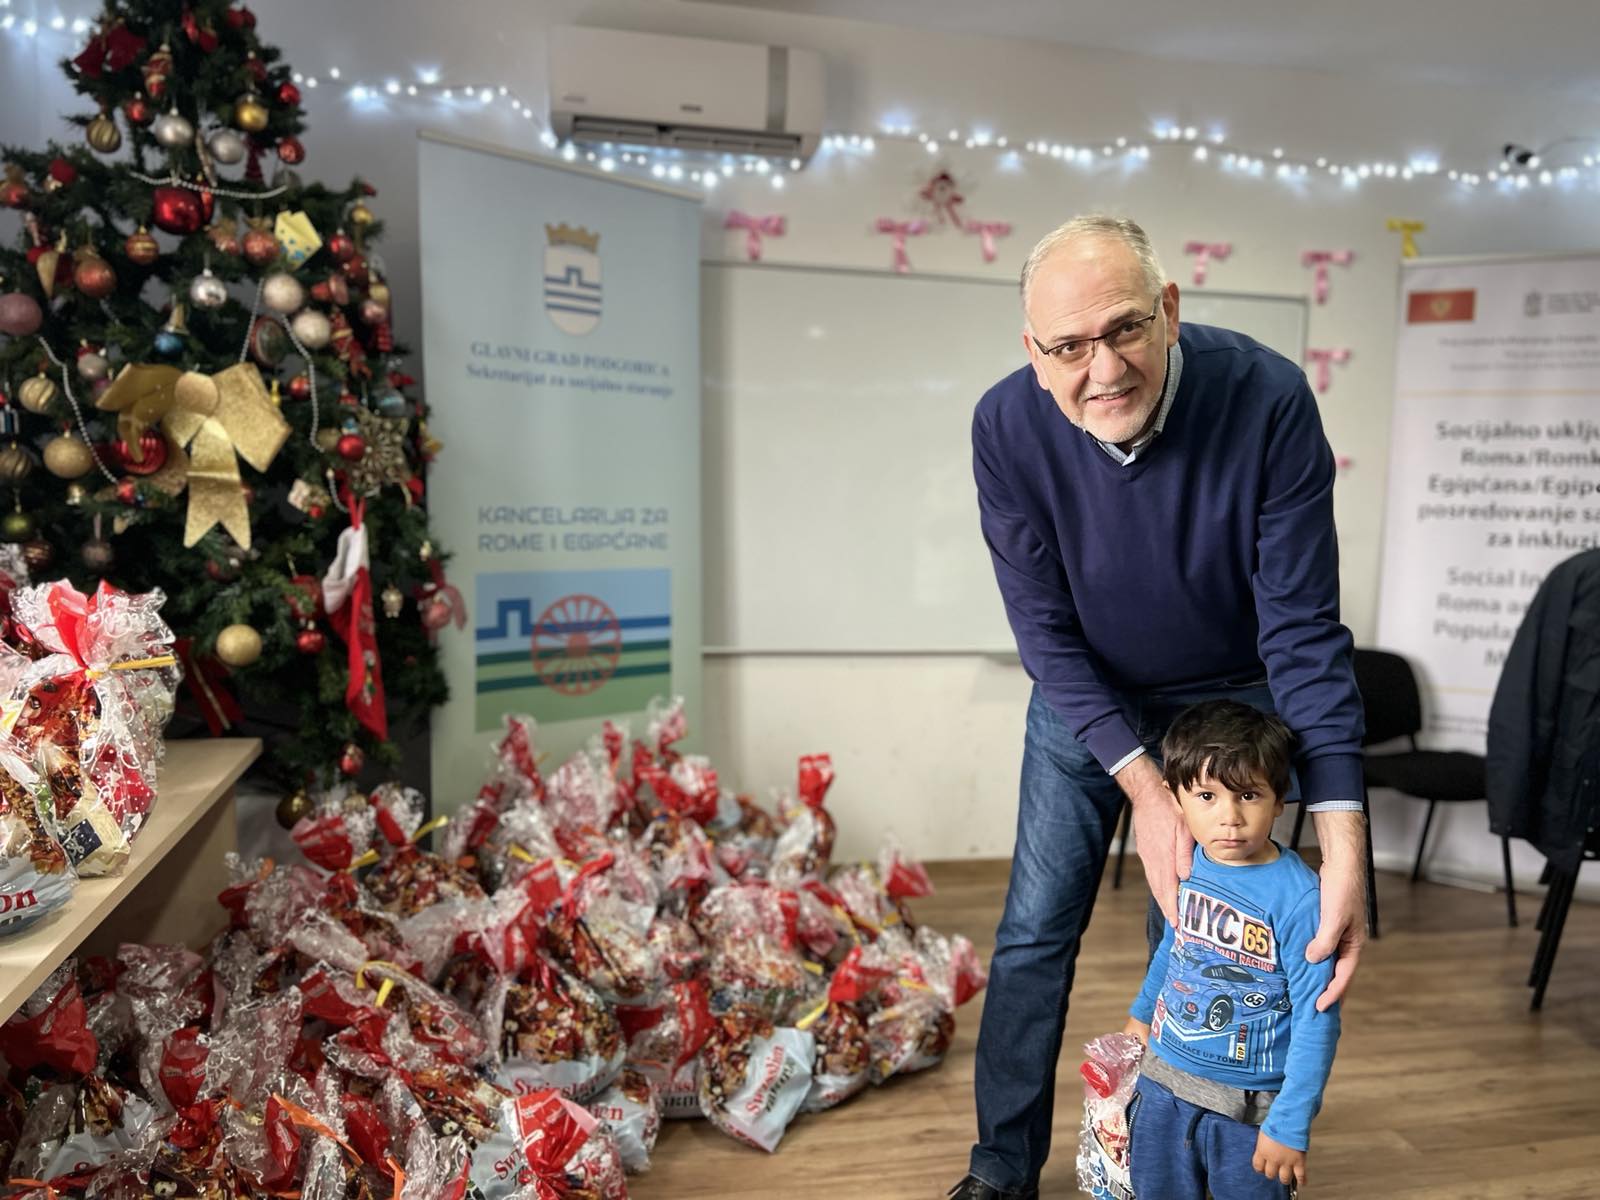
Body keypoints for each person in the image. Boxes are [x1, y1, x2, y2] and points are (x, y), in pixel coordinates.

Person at [950, 215, 1367, 1200]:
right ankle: (999, 1171)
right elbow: (1041, 631)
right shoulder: (1005, 427)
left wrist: (1345, 836)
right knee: (1033, 936)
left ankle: (1170, 1167)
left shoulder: (1265, 398)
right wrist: (1139, 783)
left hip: (1230, 706)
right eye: (1067, 346)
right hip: (1083, 698)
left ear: (1169, 311)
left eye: (1126, 328)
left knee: (1195, 938)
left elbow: (1303, 631)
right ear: (1033, 353)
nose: (1103, 368)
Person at [1123, 700, 1340, 1198]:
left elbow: (1318, 1017)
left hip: (1246, 1108)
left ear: (1279, 799)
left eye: (1247, 794)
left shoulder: (1301, 900)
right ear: (1174, 798)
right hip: (1162, 1082)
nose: (1230, 818)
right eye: (1206, 795)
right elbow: (1175, 946)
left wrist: (1289, 1122)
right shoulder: (1188, 864)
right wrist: (1140, 1013)